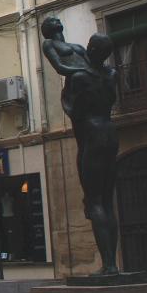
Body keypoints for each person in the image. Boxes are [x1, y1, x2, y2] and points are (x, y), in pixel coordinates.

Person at [43, 18, 120, 275]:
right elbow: (111, 99)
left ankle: (108, 266)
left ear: (92, 50)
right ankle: (113, 265)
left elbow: (73, 108)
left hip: (91, 134)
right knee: (108, 201)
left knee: (95, 201)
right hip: (110, 131)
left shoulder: (79, 77)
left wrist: (74, 84)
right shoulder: (111, 74)